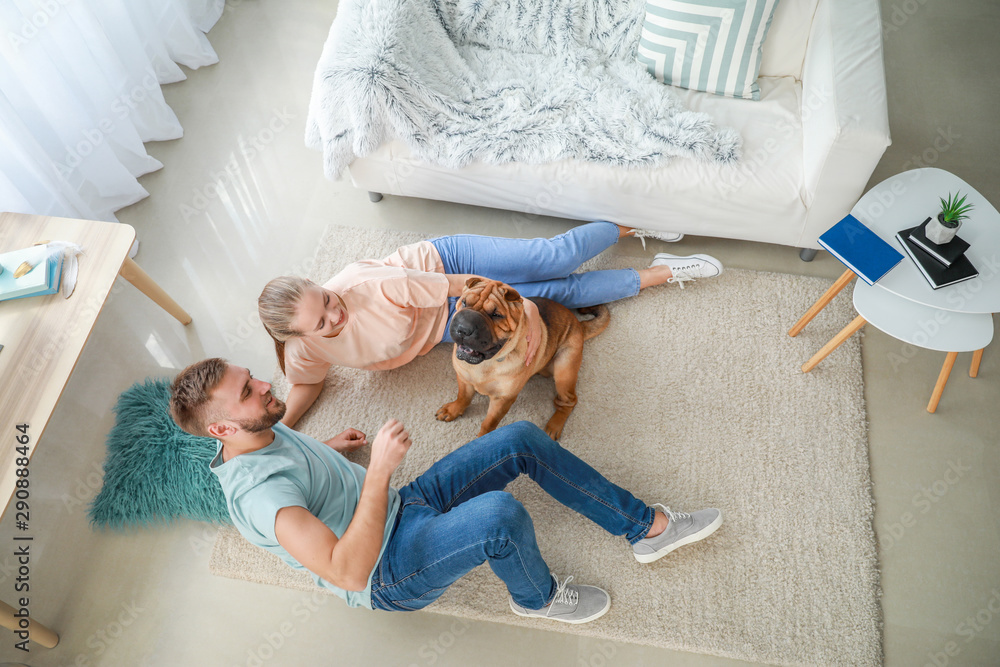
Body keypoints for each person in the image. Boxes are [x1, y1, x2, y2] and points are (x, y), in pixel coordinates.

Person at [169, 358, 723, 623]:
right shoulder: (266, 500)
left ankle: (644, 528)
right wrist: (380, 470)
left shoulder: (257, 425)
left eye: (252, 376)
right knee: (500, 517)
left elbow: (290, 461)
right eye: (248, 390)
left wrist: (330, 448)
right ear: (220, 428)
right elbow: (347, 572)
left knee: (521, 438)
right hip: (388, 569)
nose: (265, 384)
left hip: (399, 507)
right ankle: (538, 599)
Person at [258, 221, 724, 426]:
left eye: (326, 298)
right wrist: (278, 426)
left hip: (448, 273)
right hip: (440, 326)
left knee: (550, 261)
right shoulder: (305, 350)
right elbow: (306, 385)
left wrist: (509, 303)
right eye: (322, 321)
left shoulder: (369, 285)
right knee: (565, 293)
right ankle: (661, 272)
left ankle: (630, 225)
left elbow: (466, 287)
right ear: (299, 337)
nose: (335, 312)